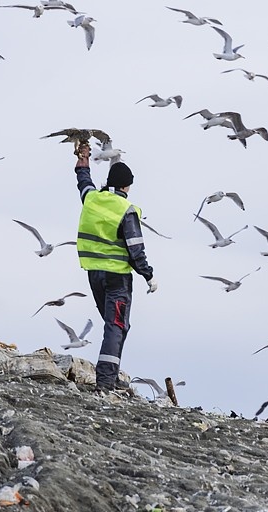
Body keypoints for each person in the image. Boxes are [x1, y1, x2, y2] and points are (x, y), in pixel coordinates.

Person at [74, 144, 156, 391]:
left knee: (115, 325)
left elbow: (83, 181)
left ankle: (111, 374)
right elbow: (135, 249)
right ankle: (106, 382)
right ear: (126, 186)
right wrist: (148, 275)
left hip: (93, 273)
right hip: (117, 277)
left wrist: (83, 160)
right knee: (116, 326)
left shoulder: (93, 199)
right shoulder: (126, 210)